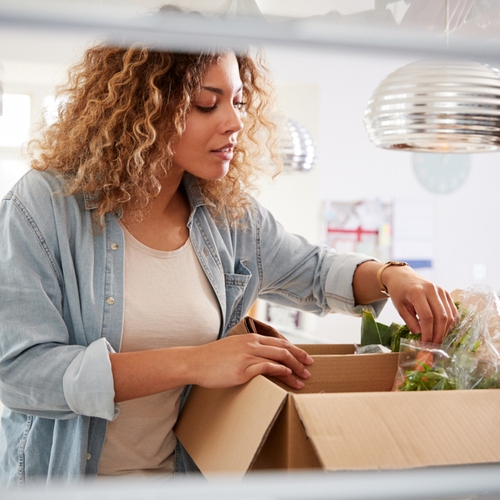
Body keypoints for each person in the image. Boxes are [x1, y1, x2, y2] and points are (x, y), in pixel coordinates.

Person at [0, 33, 458, 487]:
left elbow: (317, 271)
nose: (235, 121)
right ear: (145, 107)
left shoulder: (231, 219)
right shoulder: (45, 206)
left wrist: (393, 277)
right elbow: (20, 374)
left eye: (238, 101)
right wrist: (196, 362)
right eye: (206, 103)